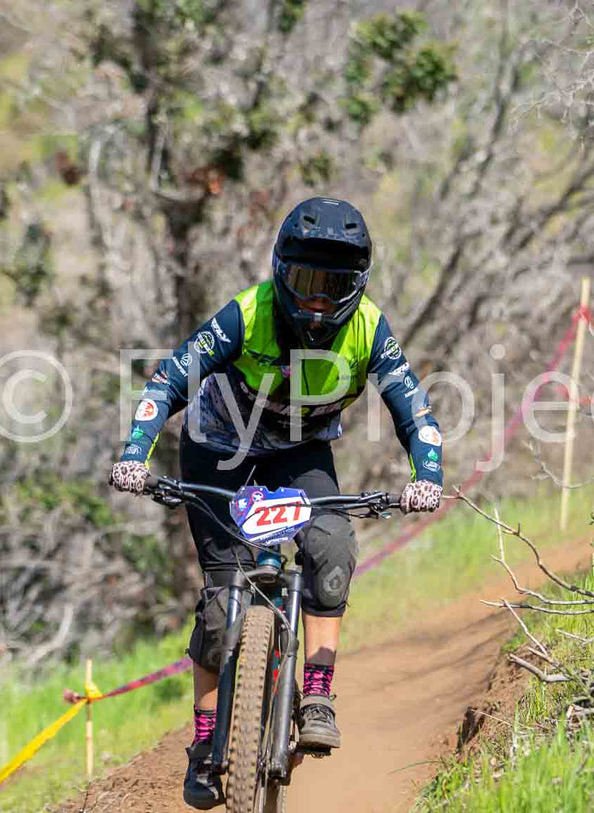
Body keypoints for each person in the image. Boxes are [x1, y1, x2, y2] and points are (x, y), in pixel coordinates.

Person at [109, 197, 444, 809]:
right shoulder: (247, 314)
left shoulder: (369, 328)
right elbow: (167, 379)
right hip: (218, 452)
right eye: (304, 282)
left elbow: (413, 408)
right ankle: (207, 741)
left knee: (332, 547)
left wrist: (429, 473)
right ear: (280, 273)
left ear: (356, 286)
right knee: (218, 609)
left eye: (332, 286)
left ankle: (316, 690)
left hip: (299, 453)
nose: (317, 301)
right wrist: (135, 452)